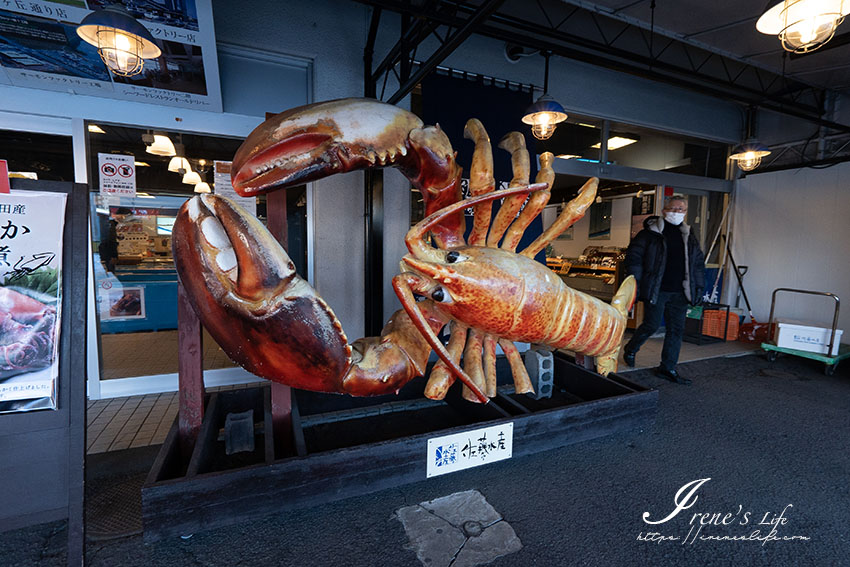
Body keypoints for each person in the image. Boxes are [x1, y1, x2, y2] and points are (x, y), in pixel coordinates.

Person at [622, 195, 705, 384]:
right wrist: (637, 282)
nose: (677, 213)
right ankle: (631, 349)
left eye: (681, 210)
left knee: (676, 330)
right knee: (651, 325)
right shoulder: (649, 233)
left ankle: (667, 367)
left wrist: (699, 287)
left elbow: (697, 264)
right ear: (664, 210)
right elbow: (634, 258)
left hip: (681, 291)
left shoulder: (689, 234)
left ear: (685, 212)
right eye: (673, 209)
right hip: (658, 289)